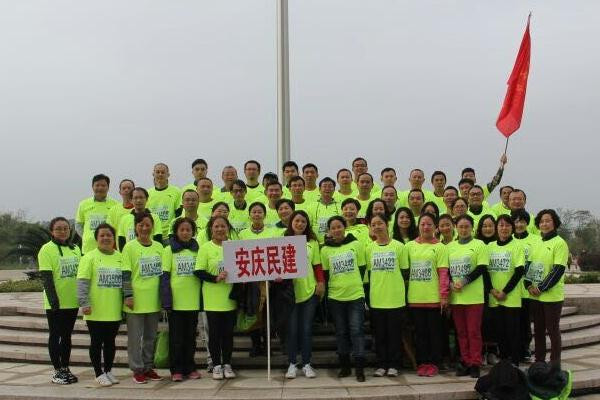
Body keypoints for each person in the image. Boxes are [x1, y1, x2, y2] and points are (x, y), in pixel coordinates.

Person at [321, 216, 367, 382]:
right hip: (335, 297)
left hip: (356, 295)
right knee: (341, 332)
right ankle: (345, 367)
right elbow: (326, 274)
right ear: (329, 231)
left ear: (344, 227)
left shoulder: (356, 244)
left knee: (357, 331)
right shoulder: (325, 250)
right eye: (333, 228)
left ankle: (360, 369)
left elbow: (362, 268)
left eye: (339, 226)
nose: (336, 230)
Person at [76, 223, 123, 387]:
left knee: (111, 342)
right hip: (95, 310)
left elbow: (125, 281)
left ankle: (108, 371)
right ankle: (98, 373)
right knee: (96, 342)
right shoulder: (89, 257)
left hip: (114, 309)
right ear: (96, 238)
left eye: (109, 235)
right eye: (102, 235)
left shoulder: (120, 257)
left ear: (114, 238)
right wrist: (84, 303)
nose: (105, 238)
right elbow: (82, 282)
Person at [121, 211, 164, 383]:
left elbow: (163, 274)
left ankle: (148, 367)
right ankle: (137, 369)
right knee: (135, 338)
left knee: (150, 337)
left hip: (153, 300)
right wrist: (128, 295)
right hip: (136, 300)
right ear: (135, 227)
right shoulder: (129, 247)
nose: (145, 228)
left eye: (148, 225)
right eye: (141, 225)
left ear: (152, 226)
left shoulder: (159, 247)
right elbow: (125, 273)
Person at [405, 213, 449, 377]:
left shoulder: (440, 247)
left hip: (434, 299)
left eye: (429, 224)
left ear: (435, 227)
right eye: (422, 224)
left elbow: (443, 273)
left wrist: (443, 296)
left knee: (435, 334)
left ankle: (434, 362)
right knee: (420, 334)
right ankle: (422, 362)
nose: (425, 227)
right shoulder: (409, 246)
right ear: (418, 226)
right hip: (415, 298)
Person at [38, 217, 81, 384]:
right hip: (55, 303)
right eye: (58, 229)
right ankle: (57, 370)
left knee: (67, 336)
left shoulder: (75, 248)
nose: (62, 231)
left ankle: (65, 367)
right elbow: (47, 278)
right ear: (52, 231)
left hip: (72, 301)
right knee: (55, 335)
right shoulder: (46, 249)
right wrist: (54, 302)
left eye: (65, 228)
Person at [195, 216, 238, 380]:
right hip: (212, 299)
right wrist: (215, 278)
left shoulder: (234, 246)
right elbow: (199, 271)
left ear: (228, 228)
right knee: (214, 334)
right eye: (216, 226)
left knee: (228, 334)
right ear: (211, 229)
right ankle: (216, 365)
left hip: (230, 298)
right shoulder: (205, 248)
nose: (220, 229)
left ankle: (227, 364)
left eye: (223, 226)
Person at [447, 215, 490, 378]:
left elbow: (481, 268)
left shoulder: (479, 245)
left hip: (474, 297)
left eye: (467, 227)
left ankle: (475, 363)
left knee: (473, 331)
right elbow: (446, 270)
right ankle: (465, 361)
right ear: (456, 228)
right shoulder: (449, 247)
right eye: (461, 226)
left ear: (472, 228)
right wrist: (450, 283)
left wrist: (464, 281)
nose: (463, 230)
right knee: (461, 332)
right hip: (456, 297)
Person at [366, 214, 408, 377]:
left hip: (395, 299)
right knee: (380, 335)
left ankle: (394, 365)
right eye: (373, 224)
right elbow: (369, 273)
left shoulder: (399, 246)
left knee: (394, 334)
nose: (377, 227)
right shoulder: (369, 248)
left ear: (387, 224)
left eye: (380, 223)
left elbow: (404, 272)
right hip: (377, 298)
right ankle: (382, 364)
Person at [284, 211, 325, 379]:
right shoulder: (283, 240)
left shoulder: (312, 242)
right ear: (291, 222)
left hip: (309, 291)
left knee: (306, 329)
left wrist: (320, 282)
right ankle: (292, 364)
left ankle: (307, 363)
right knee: (292, 330)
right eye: (297, 221)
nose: (300, 224)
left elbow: (317, 265)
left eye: (303, 221)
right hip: (290, 293)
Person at [160, 217, 202, 381]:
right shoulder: (168, 250)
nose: (185, 233)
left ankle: (190, 367)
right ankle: (176, 369)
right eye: (182, 230)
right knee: (176, 338)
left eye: (188, 230)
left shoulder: (197, 249)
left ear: (193, 232)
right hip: (176, 302)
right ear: (176, 232)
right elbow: (165, 276)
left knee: (190, 338)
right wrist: (167, 300)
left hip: (193, 301)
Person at [526, 209, 569, 366]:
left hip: (552, 296)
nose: (544, 224)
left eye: (548, 221)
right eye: (542, 221)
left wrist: (541, 287)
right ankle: (539, 361)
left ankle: (555, 362)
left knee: (552, 329)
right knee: (538, 330)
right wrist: (528, 284)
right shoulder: (536, 242)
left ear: (554, 223)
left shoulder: (560, 243)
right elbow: (529, 265)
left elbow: (557, 270)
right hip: (534, 295)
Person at [487, 214, 525, 366]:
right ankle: (503, 362)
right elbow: (485, 271)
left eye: (507, 225)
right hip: (494, 297)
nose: (504, 228)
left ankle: (515, 362)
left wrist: (505, 292)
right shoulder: (490, 247)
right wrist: (492, 290)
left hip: (511, 297)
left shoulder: (517, 245)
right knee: (500, 331)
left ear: (512, 228)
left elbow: (519, 271)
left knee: (513, 331)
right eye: (501, 225)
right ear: (496, 228)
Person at [512, 209, 540, 362]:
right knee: (513, 322)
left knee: (525, 321)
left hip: (527, 289)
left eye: (522, 221)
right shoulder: (508, 239)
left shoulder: (536, 240)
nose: (519, 225)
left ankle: (525, 348)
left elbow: (537, 262)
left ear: (527, 223)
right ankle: (513, 349)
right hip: (512, 289)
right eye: (516, 221)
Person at [75, 174, 119, 254]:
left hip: (109, 248)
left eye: (103, 185)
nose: (100, 188)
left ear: (108, 187)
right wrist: (86, 237)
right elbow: (78, 225)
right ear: (92, 187)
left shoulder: (115, 205)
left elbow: (118, 226)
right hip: (88, 248)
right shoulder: (83, 204)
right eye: (97, 185)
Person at [147, 163, 182, 238]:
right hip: (153, 235)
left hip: (170, 235)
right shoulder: (148, 193)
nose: (160, 174)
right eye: (158, 172)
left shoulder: (176, 191)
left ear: (168, 175)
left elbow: (179, 214)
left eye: (163, 172)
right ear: (153, 174)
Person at [307, 177, 341, 243]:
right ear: (319, 189)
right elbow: (308, 226)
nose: (327, 188)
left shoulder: (340, 206)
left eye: (330, 186)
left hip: (337, 243)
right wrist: (315, 241)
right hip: (316, 243)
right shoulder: (311, 207)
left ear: (334, 190)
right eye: (324, 186)